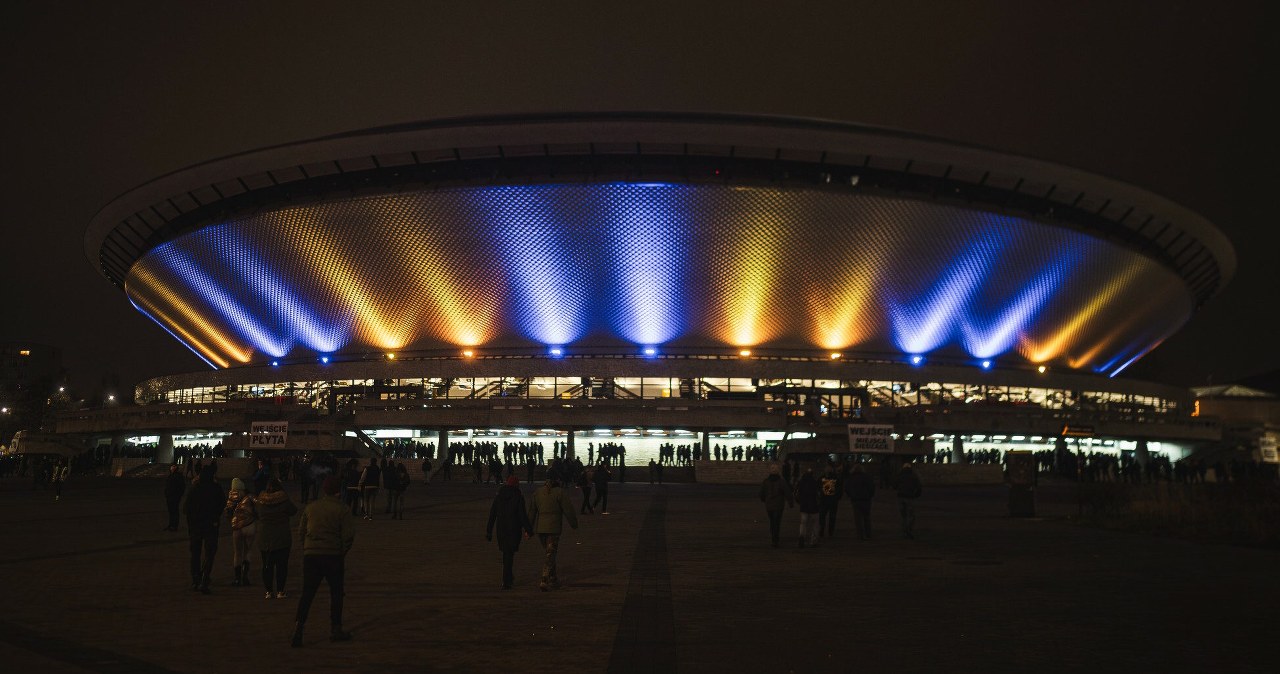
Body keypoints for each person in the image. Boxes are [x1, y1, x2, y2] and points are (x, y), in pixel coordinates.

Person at [292, 476, 356, 647]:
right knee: (336, 593)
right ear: (339, 491)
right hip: (333, 555)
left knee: (307, 593)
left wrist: (307, 547)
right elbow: (348, 536)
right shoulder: (343, 509)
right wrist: (341, 551)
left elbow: (301, 531)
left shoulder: (311, 507)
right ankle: (335, 629)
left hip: (311, 555)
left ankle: (298, 628)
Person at [527, 474, 579, 591]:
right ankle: (544, 578)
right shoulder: (560, 493)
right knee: (550, 554)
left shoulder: (538, 492)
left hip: (541, 528)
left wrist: (528, 528)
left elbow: (532, 512)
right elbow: (568, 510)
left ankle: (553, 578)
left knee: (549, 553)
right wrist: (574, 524)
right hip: (553, 528)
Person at [486, 475, 535, 589]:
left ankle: (508, 577)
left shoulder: (499, 496)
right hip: (513, 529)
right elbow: (522, 515)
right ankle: (507, 580)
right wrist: (528, 529)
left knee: (506, 554)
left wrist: (489, 531)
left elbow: (492, 514)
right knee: (509, 555)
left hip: (501, 529)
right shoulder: (518, 496)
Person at [184, 464, 224, 594]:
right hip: (211, 525)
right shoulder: (216, 488)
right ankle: (205, 578)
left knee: (195, 553)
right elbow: (221, 504)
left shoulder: (195, 489)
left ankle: (195, 579)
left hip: (195, 526)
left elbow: (186, 508)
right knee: (210, 553)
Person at [256, 477, 298, 599]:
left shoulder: (261, 501)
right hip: (282, 536)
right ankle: (280, 590)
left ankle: (268, 591)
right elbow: (293, 511)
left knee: (266, 565)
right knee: (282, 566)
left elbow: (256, 513)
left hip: (265, 537)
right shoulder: (284, 500)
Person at [225, 477, 258, 586]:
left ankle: (237, 578)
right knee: (247, 551)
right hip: (249, 525)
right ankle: (245, 577)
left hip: (236, 527)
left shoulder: (231, 498)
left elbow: (227, 512)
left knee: (237, 553)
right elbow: (258, 505)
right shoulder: (249, 496)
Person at [759, 464, 794, 547]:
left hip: (769, 505)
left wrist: (764, 500)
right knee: (777, 522)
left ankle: (773, 536)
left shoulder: (766, 481)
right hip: (779, 505)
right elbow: (787, 492)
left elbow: (761, 493)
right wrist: (791, 503)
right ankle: (775, 539)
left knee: (772, 521)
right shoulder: (782, 481)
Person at [845, 463, 875, 540]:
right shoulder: (867, 477)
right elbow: (872, 487)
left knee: (858, 519)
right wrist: (870, 496)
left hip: (856, 500)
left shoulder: (851, 478)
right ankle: (868, 534)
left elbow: (847, 488)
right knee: (866, 518)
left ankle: (860, 535)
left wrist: (851, 495)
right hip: (866, 500)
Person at [794, 466, 820, 548]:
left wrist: (799, 502)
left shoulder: (801, 482)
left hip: (804, 506)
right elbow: (819, 495)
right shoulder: (815, 482)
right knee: (815, 524)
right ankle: (814, 541)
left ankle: (802, 538)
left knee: (803, 523)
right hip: (814, 506)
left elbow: (796, 493)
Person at [896, 463, 923, 539]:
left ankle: (904, 531)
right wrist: (916, 494)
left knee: (903, 516)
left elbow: (894, 484)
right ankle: (909, 530)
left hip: (901, 496)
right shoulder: (914, 476)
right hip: (910, 497)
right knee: (911, 515)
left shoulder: (900, 475)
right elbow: (919, 486)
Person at [817, 463, 842, 537]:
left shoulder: (821, 478)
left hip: (824, 500)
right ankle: (830, 532)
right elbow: (840, 489)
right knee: (832, 517)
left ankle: (821, 531)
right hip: (833, 500)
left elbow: (817, 487)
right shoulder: (836, 478)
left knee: (822, 516)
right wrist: (837, 497)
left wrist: (820, 496)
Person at [164, 463, 186, 531]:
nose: (172, 468)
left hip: (175, 497)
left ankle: (174, 526)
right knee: (171, 511)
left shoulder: (178, 476)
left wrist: (178, 495)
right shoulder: (171, 475)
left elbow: (182, 487)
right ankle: (171, 524)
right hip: (169, 496)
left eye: (173, 466)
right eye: (171, 466)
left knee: (175, 511)